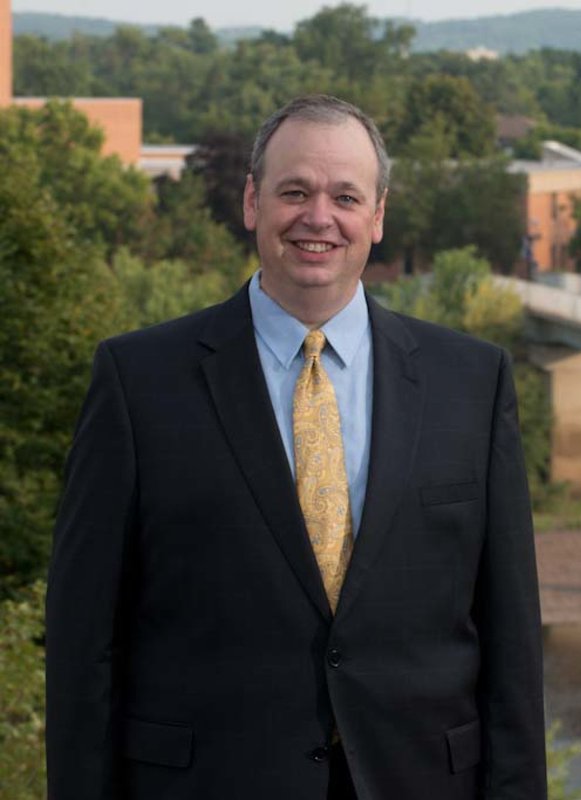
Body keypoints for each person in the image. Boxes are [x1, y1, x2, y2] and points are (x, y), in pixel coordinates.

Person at [45, 95, 546, 800]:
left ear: (377, 215)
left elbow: (512, 641)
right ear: (253, 201)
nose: (319, 217)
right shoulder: (139, 381)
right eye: (294, 191)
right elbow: (83, 642)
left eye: (345, 195)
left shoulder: (472, 380)